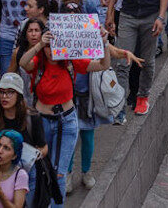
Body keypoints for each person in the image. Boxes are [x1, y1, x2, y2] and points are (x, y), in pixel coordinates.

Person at [18, 23, 113, 208]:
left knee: (59, 173)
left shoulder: (70, 62)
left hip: (66, 122)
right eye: (48, 46)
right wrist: (39, 45)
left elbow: (104, 64)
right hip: (42, 122)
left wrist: (105, 44)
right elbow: (23, 63)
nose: (52, 50)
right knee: (39, 168)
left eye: (56, 45)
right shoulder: (38, 61)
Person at [0, 130, 30, 208]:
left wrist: (0, 193)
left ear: (14, 156)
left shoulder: (20, 175)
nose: (0, 151)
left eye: (6, 148)